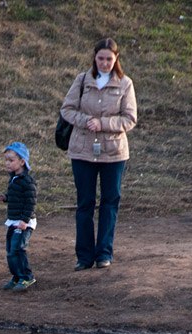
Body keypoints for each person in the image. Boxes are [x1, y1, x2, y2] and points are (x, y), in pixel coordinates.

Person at [60, 37, 137, 271]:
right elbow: (67, 109)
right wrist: (86, 121)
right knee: (85, 203)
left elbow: (130, 118)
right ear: (94, 58)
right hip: (82, 150)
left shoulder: (125, 83)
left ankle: (104, 253)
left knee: (109, 202)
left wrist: (102, 123)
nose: (104, 63)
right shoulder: (82, 80)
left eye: (109, 59)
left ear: (116, 60)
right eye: (101, 58)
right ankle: (84, 256)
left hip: (114, 153)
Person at [0, 142, 37, 292]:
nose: (7, 163)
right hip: (13, 220)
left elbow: (31, 203)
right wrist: (6, 198)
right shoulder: (14, 179)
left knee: (17, 249)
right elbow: (17, 198)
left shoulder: (27, 181)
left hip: (23, 222)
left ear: (22, 162)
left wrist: (24, 221)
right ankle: (17, 276)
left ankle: (27, 277)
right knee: (10, 250)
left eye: (11, 160)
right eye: (6, 159)